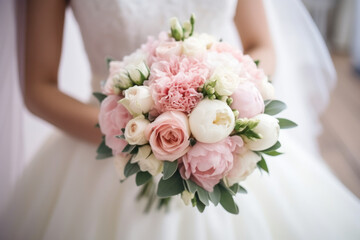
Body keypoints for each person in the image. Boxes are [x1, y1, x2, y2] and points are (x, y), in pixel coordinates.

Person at [1, 0, 359, 239]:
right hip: (101, 145)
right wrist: (136, 137)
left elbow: (260, 44)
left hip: (222, 141)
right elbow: (38, 88)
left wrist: (224, 110)